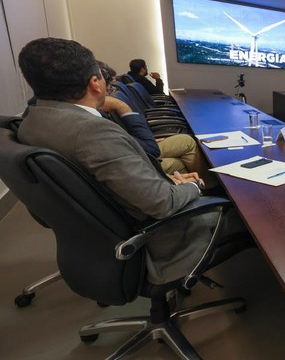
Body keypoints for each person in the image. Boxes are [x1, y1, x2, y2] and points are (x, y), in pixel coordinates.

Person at [17, 38, 243, 284]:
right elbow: (162, 204)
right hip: (157, 236)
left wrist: (165, 180)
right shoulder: (92, 132)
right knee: (248, 216)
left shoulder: (31, 121)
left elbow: (106, 181)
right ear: (95, 83)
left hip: (104, 229)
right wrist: (193, 186)